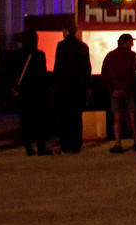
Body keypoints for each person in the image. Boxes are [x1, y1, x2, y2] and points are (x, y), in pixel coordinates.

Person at [54, 19, 91, 154]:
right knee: (76, 117)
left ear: (66, 31)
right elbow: (87, 68)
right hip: (78, 88)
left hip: (64, 87)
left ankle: (65, 145)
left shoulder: (61, 46)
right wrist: (87, 86)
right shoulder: (83, 47)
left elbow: (58, 67)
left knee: (64, 117)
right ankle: (76, 145)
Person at [101, 33, 136, 153]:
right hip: (129, 91)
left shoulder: (110, 56)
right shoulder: (132, 56)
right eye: (131, 42)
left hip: (114, 92)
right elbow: (134, 74)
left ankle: (118, 143)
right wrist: (125, 89)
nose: (132, 44)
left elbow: (104, 75)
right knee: (132, 116)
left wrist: (113, 90)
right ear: (126, 43)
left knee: (117, 118)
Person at [13, 30, 51, 156]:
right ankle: (41, 147)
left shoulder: (16, 55)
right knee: (39, 120)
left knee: (25, 119)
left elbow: (11, 74)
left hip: (23, 92)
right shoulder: (39, 55)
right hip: (37, 92)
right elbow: (42, 75)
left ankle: (28, 147)